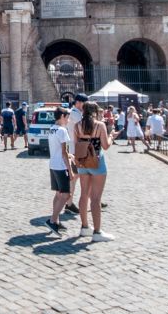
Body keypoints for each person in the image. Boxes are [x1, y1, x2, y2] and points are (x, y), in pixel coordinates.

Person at [73, 101, 115, 241]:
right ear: (95, 111)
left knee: (83, 194)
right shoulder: (100, 125)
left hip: (82, 161)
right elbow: (106, 146)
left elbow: (75, 144)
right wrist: (111, 136)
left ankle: (85, 227)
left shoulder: (77, 126)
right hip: (97, 161)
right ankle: (97, 232)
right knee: (96, 198)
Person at [44, 107, 75, 237]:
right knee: (66, 195)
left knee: (58, 194)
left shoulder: (52, 128)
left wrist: (68, 156)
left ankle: (56, 220)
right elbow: (64, 152)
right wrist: (70, 170)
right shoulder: (62, 130)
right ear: (62, 116)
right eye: (67, 117)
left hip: (53, 164)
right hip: (61, 166)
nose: (68, 120)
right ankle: (52, 220)